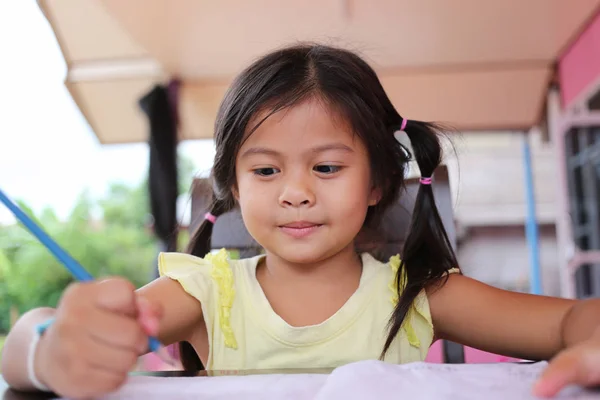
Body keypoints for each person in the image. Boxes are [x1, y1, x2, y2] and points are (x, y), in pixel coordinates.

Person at [2, 44, 599, 399]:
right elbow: (25, 343)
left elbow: (573, 320)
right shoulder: (206, 293)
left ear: (376, 184)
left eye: (327, 166)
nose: (295, 193)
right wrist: (50, 351)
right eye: (265, 172)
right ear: (233, 186)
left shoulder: (418, 294)